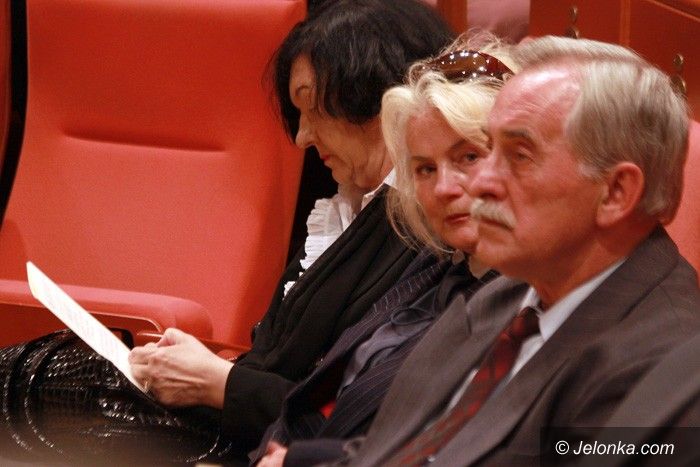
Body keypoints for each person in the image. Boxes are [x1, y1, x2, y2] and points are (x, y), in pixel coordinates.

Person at [0, 0, 454, 464]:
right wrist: (209, 365)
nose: (302, 137)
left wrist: (218, 381)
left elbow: (349, 411)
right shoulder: (350, 208)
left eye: (313, 107)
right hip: (242, 423)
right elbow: (279, 359)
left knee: (39, 391)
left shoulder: (431, 235)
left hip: (267, 445)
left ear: (375, 97)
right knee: (35, 373)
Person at [336, 35, 700, 466]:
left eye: (519, 156)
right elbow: (392, 447)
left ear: (616, 192)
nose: (480, 183)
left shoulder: (668, 375)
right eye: (489, 150)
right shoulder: (508, 294)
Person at [252, 35, 518, 467]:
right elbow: (318, 398)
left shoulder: (529, 301)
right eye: (425, 168)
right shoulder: (438, 267)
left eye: (469, 157)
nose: (444, 188)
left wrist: (298, 460)